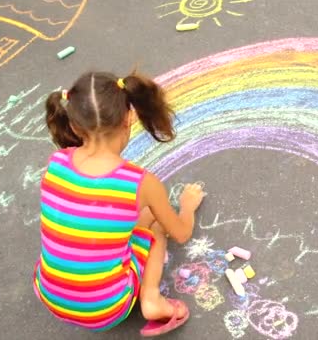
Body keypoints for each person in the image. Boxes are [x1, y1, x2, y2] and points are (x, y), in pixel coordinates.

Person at [32, 71, 204, 336]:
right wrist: (188, 208)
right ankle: (151, 299)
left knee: (129, 216)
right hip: (106, 309)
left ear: (75, 125)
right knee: (156, 227)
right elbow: (181, 233)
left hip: (50, 296)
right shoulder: (140, 182)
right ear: (129, 117)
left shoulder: (56, 162)